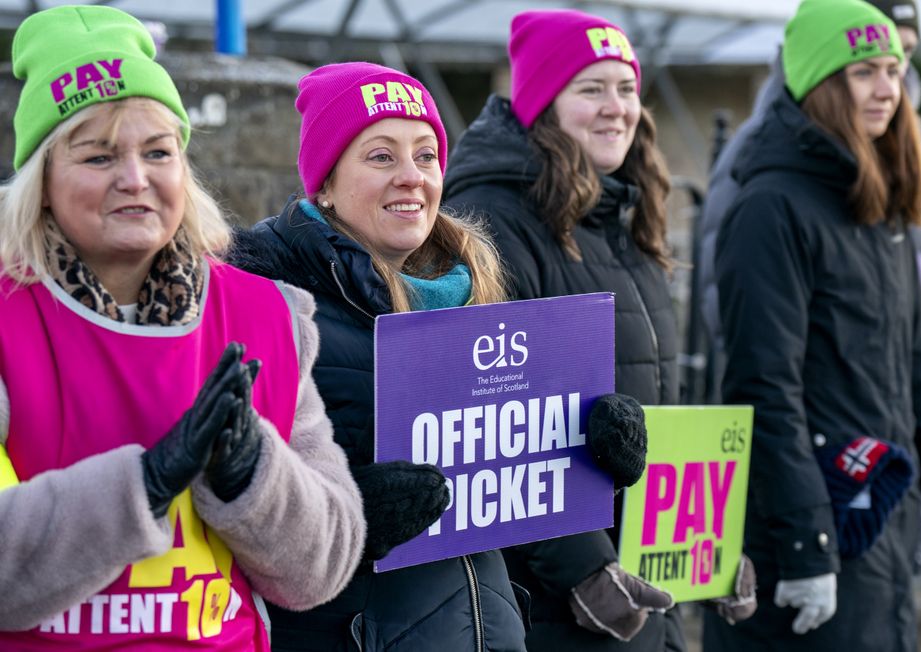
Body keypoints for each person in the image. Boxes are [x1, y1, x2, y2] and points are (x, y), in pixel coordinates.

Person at [0, 5, 365, 650]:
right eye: (98, 156)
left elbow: (324, 567)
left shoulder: (268, 316)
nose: (135, 179)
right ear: (43, 182)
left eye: (158, 151)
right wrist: (144, 483)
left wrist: (252, 472)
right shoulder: (9, 321)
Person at [443, 9, 755, 651]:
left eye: (626, 88)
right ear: (544, 106)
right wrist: (582, 566)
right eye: (591, 89)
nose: (617, 107)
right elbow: (495, 419)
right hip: (558, 602)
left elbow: (652, 403)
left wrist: (707, 543)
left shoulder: (620, 214)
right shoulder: (495, 219)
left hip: (642, 580)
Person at [230, 62, 533, 651]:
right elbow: (235, 497)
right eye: (380, 156)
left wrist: (585, 452)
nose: (411, 178)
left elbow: (510, 489)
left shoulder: (475, 295)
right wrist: (356, 518)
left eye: (425, 156)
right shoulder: (268, 303)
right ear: (323, 183)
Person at [701, 0, 921, 650]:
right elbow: (763, 388)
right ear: (822, 84)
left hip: (880, 515)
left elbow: (919, 364)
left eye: (893, 68)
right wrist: (808, 543)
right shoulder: (770, 208)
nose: (889, 87)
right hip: (805, 525)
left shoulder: (881, 204)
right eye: (864, 72)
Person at [697, 0, 921, 405]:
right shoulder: (763, 156)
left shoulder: (899, 144)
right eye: (865, 69)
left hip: (878, 409)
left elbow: (917, 288)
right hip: (823, 410)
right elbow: (728, 285)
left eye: (903, 59)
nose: (893, 84)